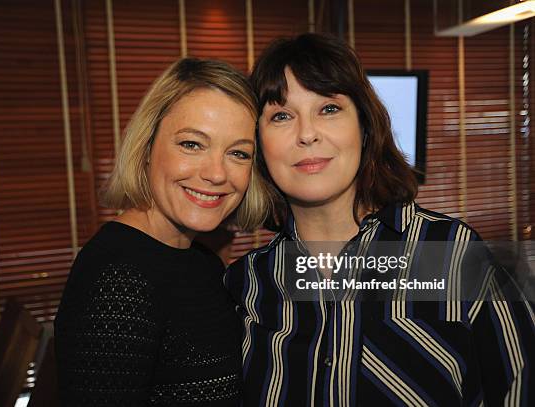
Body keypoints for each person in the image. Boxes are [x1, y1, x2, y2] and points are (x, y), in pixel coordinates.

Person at [225, 33, 535, 406]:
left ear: (365, 127)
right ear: (259, 144)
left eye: (328, 109)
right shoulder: (246, 284)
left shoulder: (450, 254)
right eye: (281, 116)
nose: (306, 134)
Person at [54, 58, 273, 406]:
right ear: (146, 147)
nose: (217, 174)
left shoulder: (200, 260)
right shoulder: (119, 279)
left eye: (238, 153)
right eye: (192, 144)